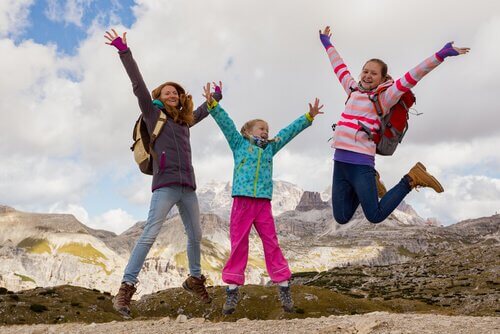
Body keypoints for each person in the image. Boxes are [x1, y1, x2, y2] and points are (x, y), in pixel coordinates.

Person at [104, 29, 221, 318]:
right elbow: (138, 84)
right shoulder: (152, 114)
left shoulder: (183, 122)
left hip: (188, 188)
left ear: (180, 99)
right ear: (159, 97)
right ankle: (125, 290)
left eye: (176, 92)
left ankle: (195, 279)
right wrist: (124, 52)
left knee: (195, 235)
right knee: (149, 235)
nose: (172, 94)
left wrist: (216, 97)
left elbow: (204, 112)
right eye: (167, 91)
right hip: (166, 185)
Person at [319, 26, 469, 225]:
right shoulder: (352, 88)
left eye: (373, 73)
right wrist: (327, 43)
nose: (367, 75)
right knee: (342, 216)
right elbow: (339, 67)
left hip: (361, 163)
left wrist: (440, 55)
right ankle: (373, 181)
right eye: (365, 71)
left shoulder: (384, 97)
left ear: (382, 78)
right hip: (340, 162)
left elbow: (413, 75)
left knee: (375, 215)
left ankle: (411, 179)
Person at [202, 82, 324, 314]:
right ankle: (232, 291)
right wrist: (213, 105)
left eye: (267, 129)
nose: (265, 132)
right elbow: (226, 124)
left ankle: (284, 287)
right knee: (239, 243)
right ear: (247, 131)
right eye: (261, 128)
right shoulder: (238, 144)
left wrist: (308, 117)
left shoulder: (270, 148)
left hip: (263, 204)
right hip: (242, 201)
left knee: (271, 243)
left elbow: (288, 133)